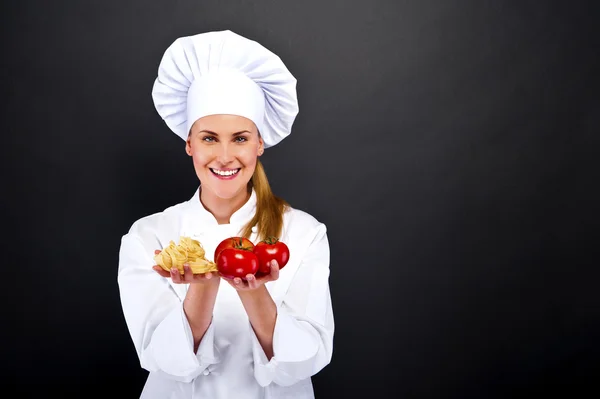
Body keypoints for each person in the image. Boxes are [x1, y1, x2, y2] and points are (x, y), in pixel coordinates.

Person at [117, 30, 334, 398]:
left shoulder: (303, 232)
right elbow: (162, 360)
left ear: (260, 142)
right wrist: (202, 289)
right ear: (189, 144)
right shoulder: (148, 236)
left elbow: (303, 362)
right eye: (208, 138)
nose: (224, 156)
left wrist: (253, 293)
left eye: (240, 137)